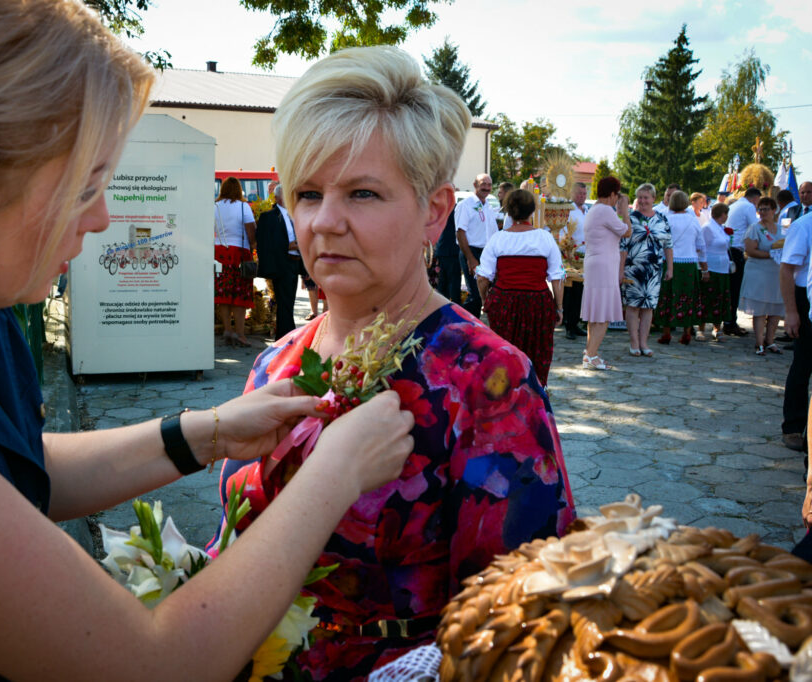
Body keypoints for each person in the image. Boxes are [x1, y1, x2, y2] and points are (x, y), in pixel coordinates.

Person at [0, 3, 420, 679]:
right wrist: (334, 472)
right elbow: (153, 664)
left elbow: (9, 465)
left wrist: (207, 432)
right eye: (84, 187)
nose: (102, 217)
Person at [213, 46, 575, 681]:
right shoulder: (275, 363)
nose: (325, 222)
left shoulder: (488, 382)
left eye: (363, 193)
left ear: (434, 211)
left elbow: (525, 622)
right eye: (308, 193)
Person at [476, 189, 565, 385]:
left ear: (508, 211)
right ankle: (535, 389)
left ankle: (506, 391)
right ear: (532, 211)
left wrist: (485, 300)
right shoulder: (544, 238)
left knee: (504, 351)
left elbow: (482, 278)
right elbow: (557, 277)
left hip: (504, 303)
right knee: (537, 351)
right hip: (537, 304)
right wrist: (559, 307)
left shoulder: (498, 238)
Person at [581, 176, 631, 370]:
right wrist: (625, 211)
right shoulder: (605, 210)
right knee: (603, 314)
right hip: (604, 266)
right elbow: (627, 231)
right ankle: (592, 355)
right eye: (616, 195)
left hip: (595, 263)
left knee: (595, 312)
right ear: (611, 194)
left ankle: (590, 353)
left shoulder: (594, 209)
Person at [620, 183, 672, 357]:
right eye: (640, 197)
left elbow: (668, 245)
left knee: (648, 307)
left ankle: (644, 343)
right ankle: (634, 342)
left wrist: (670, 268)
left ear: (653, 199)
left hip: (654, 270)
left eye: (646, 197)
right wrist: (620, 270)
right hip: (633, 269)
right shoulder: (631, 218)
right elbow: (623, 246)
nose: (642, 201)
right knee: (633, 306)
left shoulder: (662, 219)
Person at [655, 190, 708, 345]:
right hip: (689, 263)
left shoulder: (666, 219)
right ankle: (686, 332)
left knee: (668, 296)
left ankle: (666, 333)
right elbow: (701, 246)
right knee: (687, 297)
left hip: (669, 262)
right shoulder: (693, 220)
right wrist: (704, 268)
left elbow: (660, 242)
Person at [780, 206, 812, 451]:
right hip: (804, 298)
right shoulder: (803, 225)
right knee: (803, 364)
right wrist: (791, 311)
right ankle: (793, 426)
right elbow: (787, 269)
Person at [739, 196, 785, 355]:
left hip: (776, 273)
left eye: (766, 209)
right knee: (760, 309)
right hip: (759, 272)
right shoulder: (754, 228)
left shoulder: (781, 228)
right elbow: (750, 250)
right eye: (760, 209)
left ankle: (770, 340)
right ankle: (759, 342)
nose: (763, 212)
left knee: (776, 308)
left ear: (774, 210)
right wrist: (771, 254)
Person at [214, 176, 257, 346]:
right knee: (240, 294)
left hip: (219, 253)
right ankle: (240, 334)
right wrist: (254, 245)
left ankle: (227, 330)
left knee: (223, 293)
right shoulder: (243, 207)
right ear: (239, 190)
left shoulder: (215, 206)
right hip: (240, 253)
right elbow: (251, 232)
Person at [256, 184, 302, 339]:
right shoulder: (269, 217)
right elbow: (266, 242)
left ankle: (285, 336)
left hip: (294, 263)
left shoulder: (294, 215)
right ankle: (288, 336)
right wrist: (288, 245)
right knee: (284, 303)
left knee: (288, 302)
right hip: (281, 264)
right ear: (277, 198)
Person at [455, 173, 498, 317]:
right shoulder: (465, 205)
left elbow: (493, 234)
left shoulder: (488, 207)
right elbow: (460, 233)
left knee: (486, 292)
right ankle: (465, 324)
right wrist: (470, 258)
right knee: (475, 294)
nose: (486, 187)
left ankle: (475, 325)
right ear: (475, 185)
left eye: (489, 185)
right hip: (471, 252)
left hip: (486, 253)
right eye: (483, 184)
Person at [723, 186, 763, 336]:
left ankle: (729, 321)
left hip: (729, 249)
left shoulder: (735, 205)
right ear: (755, 198)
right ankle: (730, 323)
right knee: (735, 289)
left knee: (731, 288)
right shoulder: (748, 207)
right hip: (736, 251)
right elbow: (755, 227)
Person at [697, 202, 732, 342]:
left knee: (720, 299)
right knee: (707, 298)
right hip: (711, 268)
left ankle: (717, 328)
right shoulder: (708, 228)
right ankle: (700, 329)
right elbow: (701, 249)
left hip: (723, 269)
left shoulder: (721, 228)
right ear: (721, 214)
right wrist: (704, 269)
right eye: (726, 214)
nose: (727, 217)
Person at [561, 181, 589, 340]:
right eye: (579, 193)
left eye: (584, 194)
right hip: (571, 256)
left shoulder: (587, 210)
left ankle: (576, 322)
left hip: (585, 255)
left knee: (581, 292)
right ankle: (569, 325)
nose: (582, 196)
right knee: (571, 292)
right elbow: (563, 232)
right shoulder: (568, 210)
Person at [433, 207, 462, 303]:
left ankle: (442, 306)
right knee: (452, 283)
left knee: (443, 283)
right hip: (451, 250)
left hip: (443, 249)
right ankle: (453, 306)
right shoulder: (455, 209)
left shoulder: (442, 209)